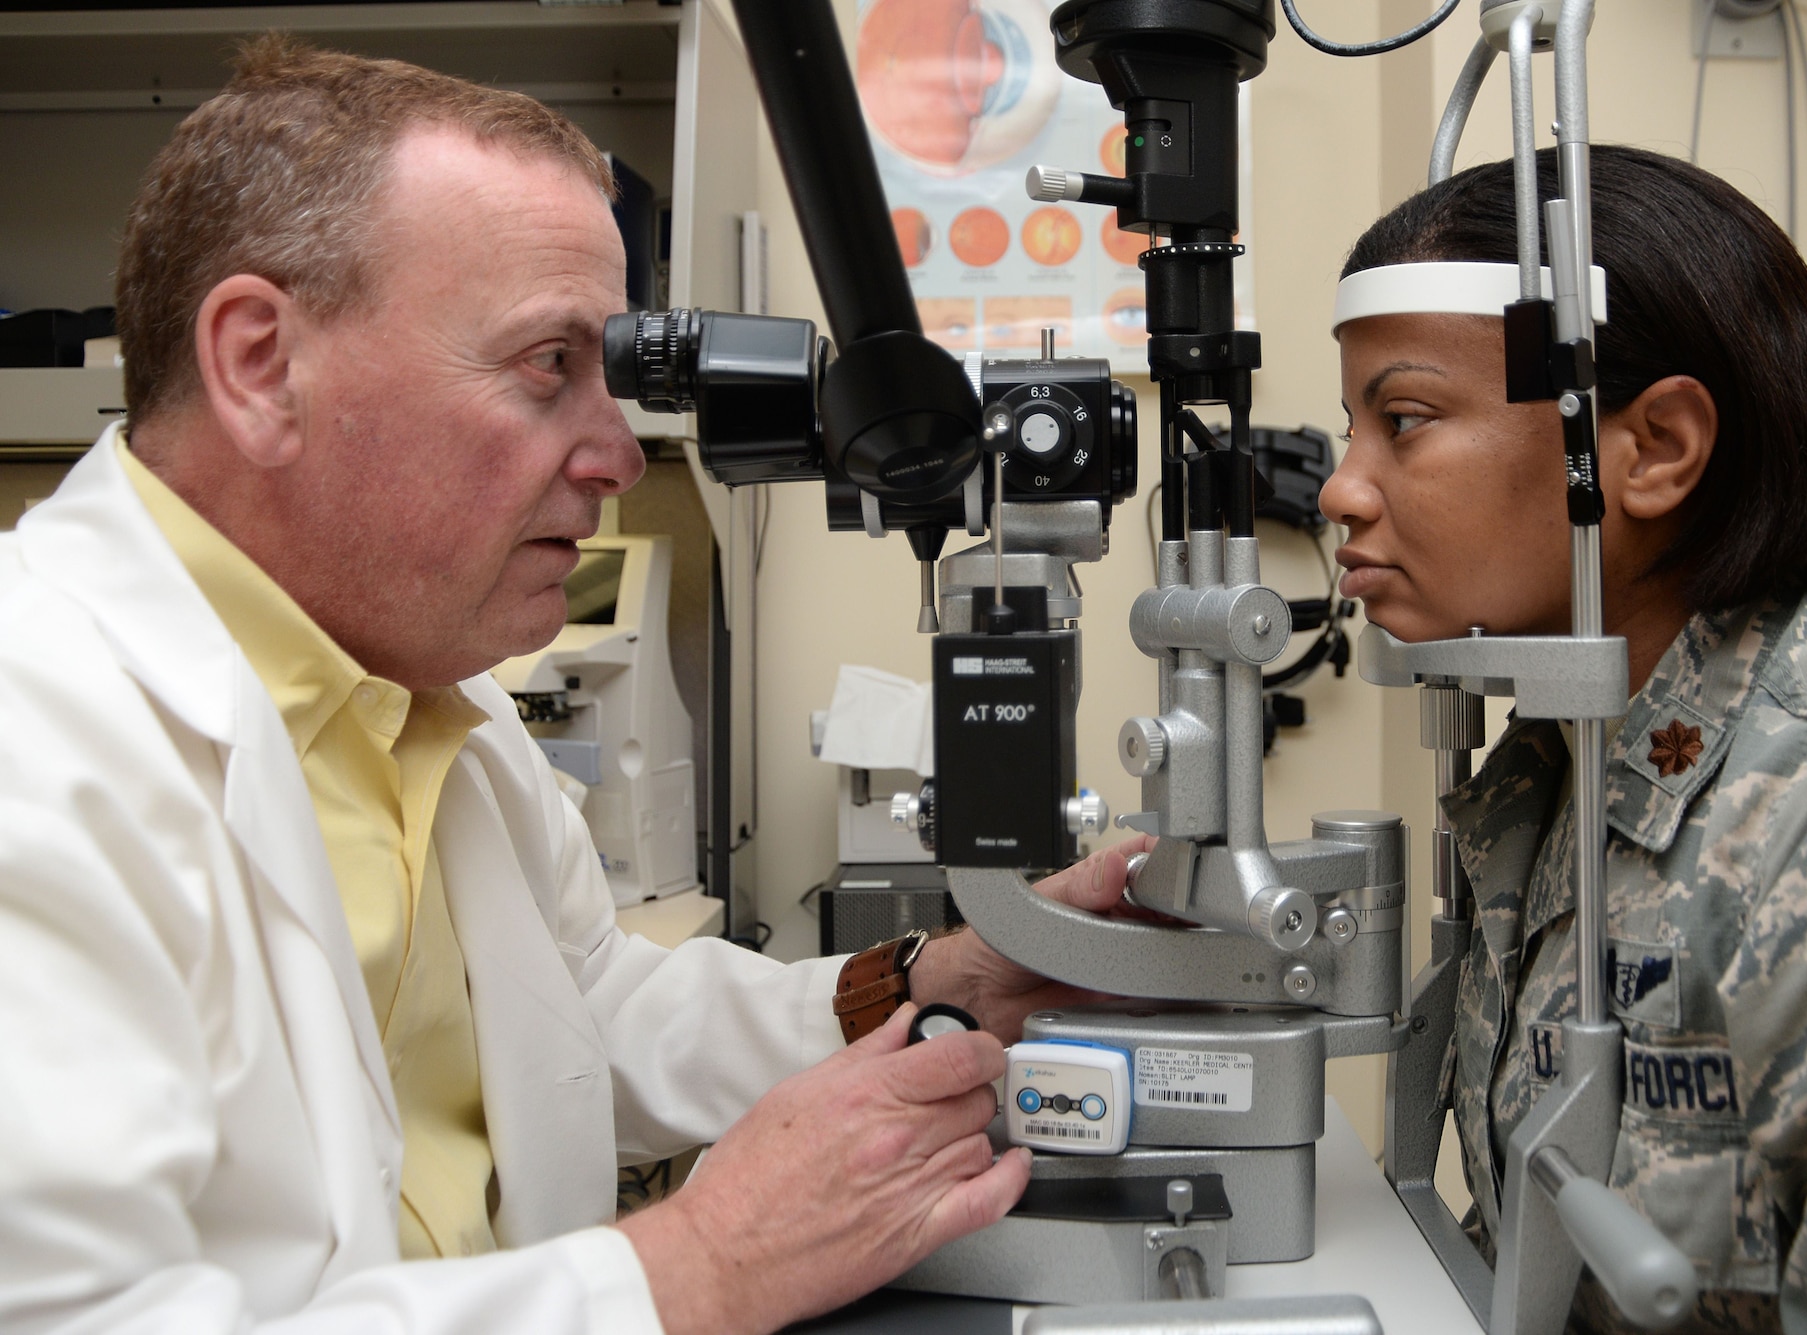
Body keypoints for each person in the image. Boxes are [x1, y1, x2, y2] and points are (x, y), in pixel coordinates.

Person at [0, 37, 1147, 1335]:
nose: (616, 452)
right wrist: (697, 1265)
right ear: (264, 362)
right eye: (549, 366)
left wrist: (948, 976)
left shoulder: (432, 691)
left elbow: (588, 1014)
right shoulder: (37, 736)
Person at [1321, 144, 1807, 1333]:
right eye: (1349, 430)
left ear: (1652, 450)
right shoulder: (1555, 771)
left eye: (1405, 421)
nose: (1340, 490)